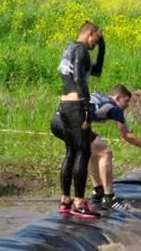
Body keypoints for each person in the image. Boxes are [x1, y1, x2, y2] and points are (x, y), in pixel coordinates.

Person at [51, 85, 141, 210]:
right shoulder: (114, 108)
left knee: (92, 148)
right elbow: (127, 136)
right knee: (106, 152)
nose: (127, 105)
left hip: (57, 123)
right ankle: (109, 198)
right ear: (117, 97)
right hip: (71, 125)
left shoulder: (102, 98)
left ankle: (98, 191)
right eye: (126, 101)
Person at [56, 21, 105, 218]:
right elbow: (78, 78)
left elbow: (97, 71)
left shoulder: (68, 49)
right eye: (97, 38)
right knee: (83, 153)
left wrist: (103, 48)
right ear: (89, 34)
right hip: (77, 106)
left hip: (65, 105)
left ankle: (65, 199)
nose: (96, 42)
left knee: (70, 152)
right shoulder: (82, 51)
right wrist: (87, 108)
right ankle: (79, 202)